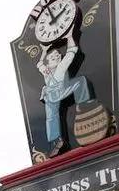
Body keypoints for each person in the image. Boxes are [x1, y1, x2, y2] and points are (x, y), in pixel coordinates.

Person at [37, 29, 95, 157]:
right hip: (53, 96)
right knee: (51, 119)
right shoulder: (48, 71)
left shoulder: (57, 67)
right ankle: (56, 142)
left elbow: (70, 53)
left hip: (55, 94)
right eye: (53, 57)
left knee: (80, 81)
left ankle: (83, 107)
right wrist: (45, 50)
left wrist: (69, 37)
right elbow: (69, 52)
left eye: (57, 55)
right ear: (48, 63)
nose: (57, 56)